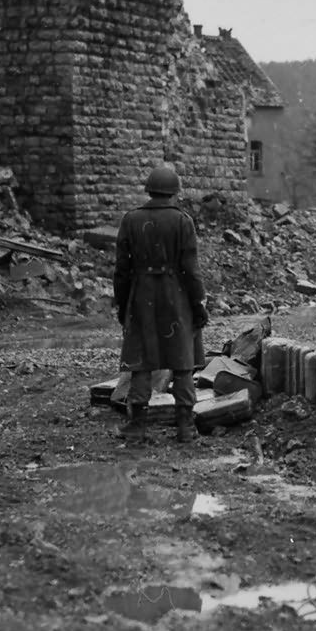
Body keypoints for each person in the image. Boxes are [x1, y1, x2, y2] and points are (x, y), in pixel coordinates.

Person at [113, 163, 209, 445]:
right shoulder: (183, 221)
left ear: (149, 190)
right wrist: (198, 303)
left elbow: (121, 270)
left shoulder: (130, 219)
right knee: (182, 362)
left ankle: (137, 426)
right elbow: (191, 270)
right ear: (174, 192)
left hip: (141, 296)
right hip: (176, 296)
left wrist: (123, 304)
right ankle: (185, 427)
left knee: (141, 362)